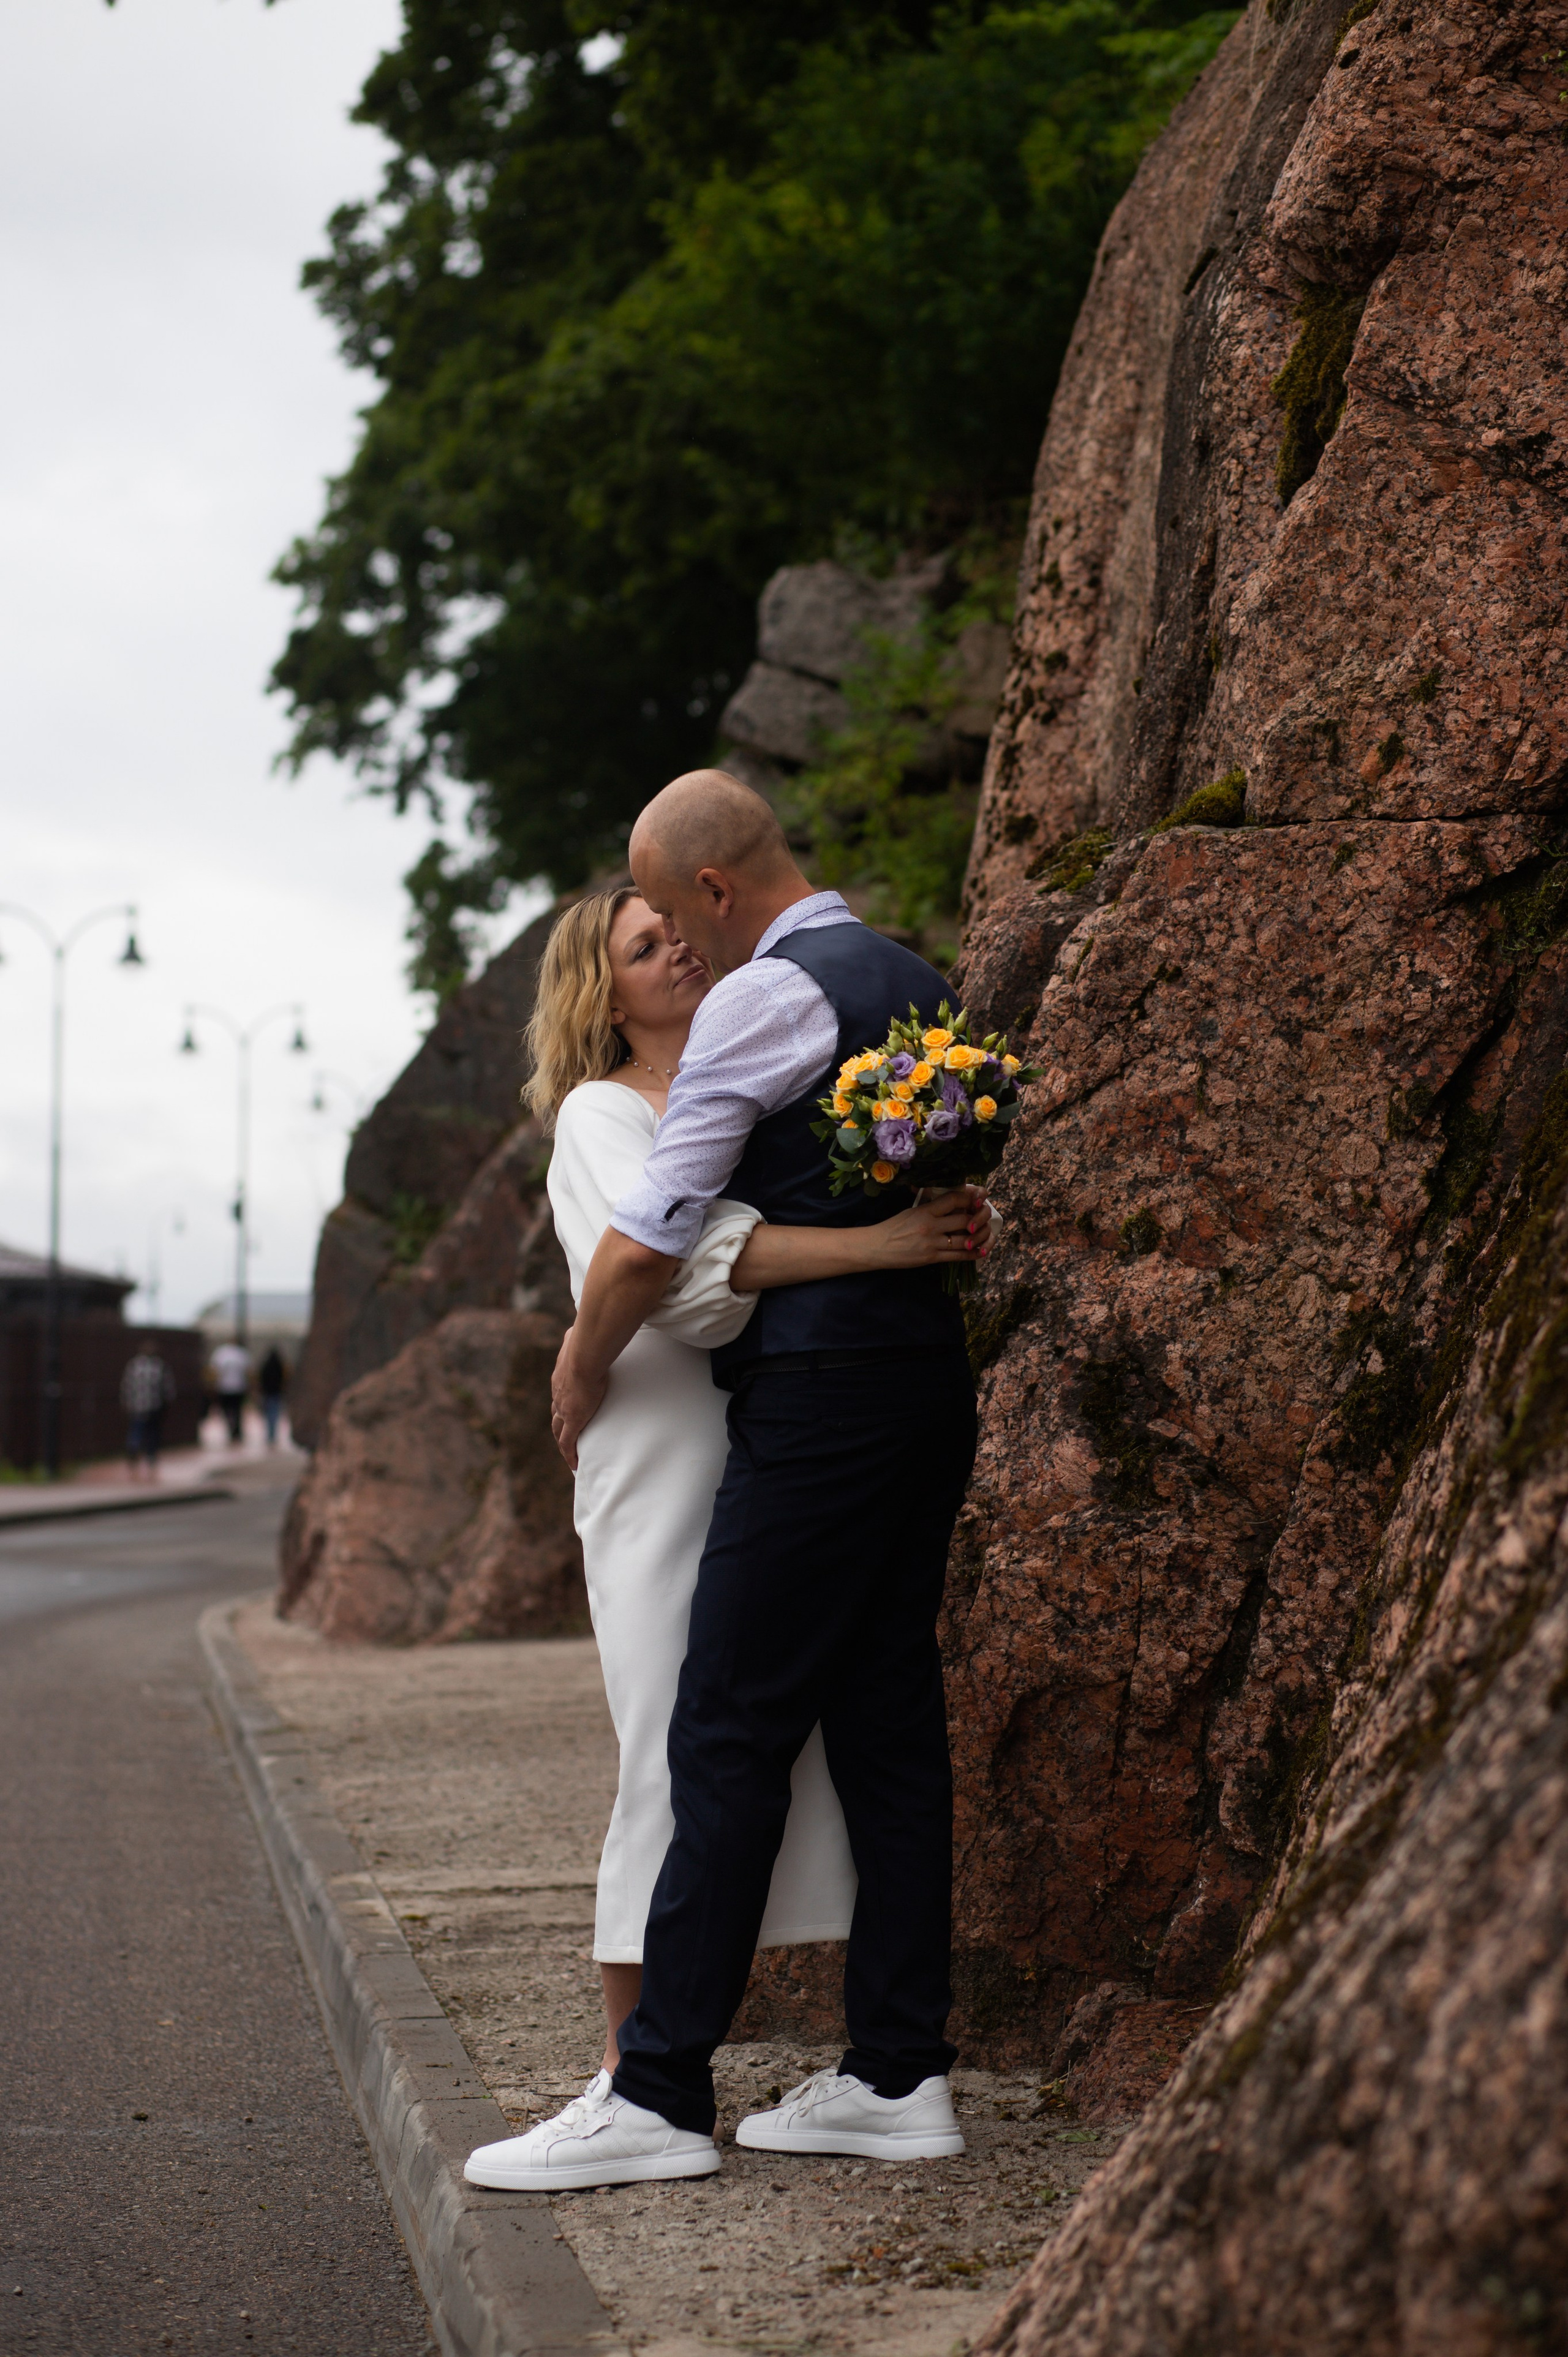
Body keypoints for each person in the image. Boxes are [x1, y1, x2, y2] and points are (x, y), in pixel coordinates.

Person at [466, 775, 985, 2195]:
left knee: (727, 1723)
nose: (683, 950)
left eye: (669, 914)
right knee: (885, 1723)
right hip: (919, 1385)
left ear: (706, 888)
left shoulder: (767, 996)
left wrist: (577, 1356)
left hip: (814, 1404)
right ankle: (894, 2069)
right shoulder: (908, 978)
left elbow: (648, 1251)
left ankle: (658, 2088)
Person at [120, 1345, 175, 1480]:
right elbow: (168, 1387)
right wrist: (168, 1401)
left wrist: (127, 1401)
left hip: (137, 1406)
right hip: (154, 1405)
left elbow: (127, 1385)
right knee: (153, 1432)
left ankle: (133, 1448)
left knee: (136, 1429)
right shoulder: (160, 1366)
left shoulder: (133, 1365)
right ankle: (151, 1455)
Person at [209, 1338, 250, 1444]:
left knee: (227, 1410)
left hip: (225, 1388)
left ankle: (232, 1429)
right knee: (237, 1411)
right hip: (238, 1387)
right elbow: (248, 1371)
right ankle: (236, 1430)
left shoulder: (220, 1353)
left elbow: (214, 1371)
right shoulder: (241, 1354)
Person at [257, 1346, 287, 1447]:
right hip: (276, 1392)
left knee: (269, 1414)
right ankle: (273, 1434)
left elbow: (261, 1378)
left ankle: (270, 1434)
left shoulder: (266, 1365)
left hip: (268, 1393)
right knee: (275, 1413)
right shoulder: (279, 1366)